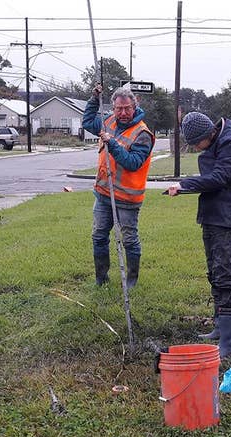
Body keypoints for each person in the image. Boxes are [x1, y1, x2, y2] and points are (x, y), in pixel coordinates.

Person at [168, 112, 231, 358]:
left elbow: (220, 178)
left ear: (207, 135)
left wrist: (185, 185)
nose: (193, 148)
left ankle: (228, 343)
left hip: (226, 216)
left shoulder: (230, 143)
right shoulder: (218, 139)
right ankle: (218, 326)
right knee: (214, 271)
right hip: (212, 214)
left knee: (224, 275)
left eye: (194, 143)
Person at [82, 83, 155, 288]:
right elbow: (87, 121)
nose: (122, 113)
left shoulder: (142, 133)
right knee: (98, 236)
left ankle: (131, 282)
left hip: (128, 199)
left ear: (135, 106)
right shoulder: (108, 122)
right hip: (104, 194)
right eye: (118, 109)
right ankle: (101, 280)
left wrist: (111, 143)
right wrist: (94, 99)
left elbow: (133, 163)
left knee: (129, 240)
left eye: (127, 108)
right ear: (113, 108)